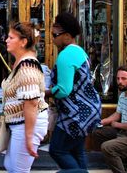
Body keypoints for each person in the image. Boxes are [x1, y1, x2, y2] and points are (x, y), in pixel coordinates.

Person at [48, 12, 101, 171]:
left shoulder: (66, 55)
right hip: (88, 111)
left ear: (67, 36)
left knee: (57, 150)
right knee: (77, 151)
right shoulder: (79, 51)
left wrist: (46, 92)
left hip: (75, 114)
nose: (53, 38)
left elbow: (64, 90)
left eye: (55, 34)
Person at [2, 22, 49, 173]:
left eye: (11, 37)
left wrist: (29, 137)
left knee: (18, 170)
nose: (6, 40)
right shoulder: (21, 63)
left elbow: (31, 102)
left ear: (23, 42)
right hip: (20, 125)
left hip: (26, 125)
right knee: (10, 165)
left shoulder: (27, 66)